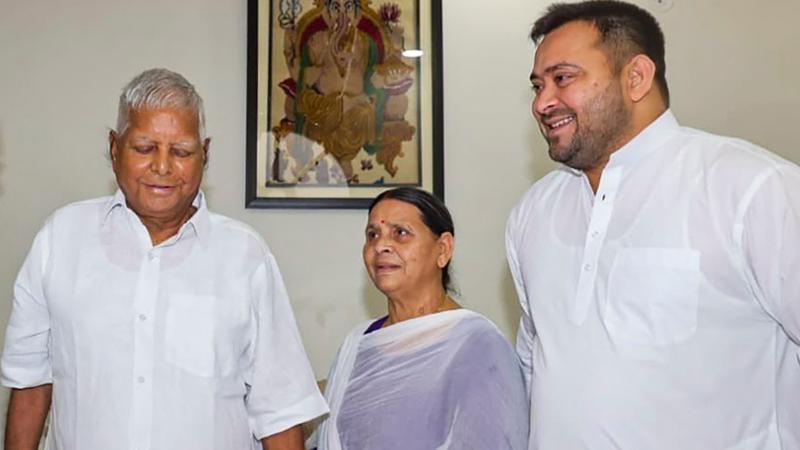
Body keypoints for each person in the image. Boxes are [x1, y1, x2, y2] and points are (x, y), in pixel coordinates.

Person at [506, 1, 800, 449]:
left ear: (637, 77)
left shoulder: (751, 189)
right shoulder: (534, 211)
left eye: (563, 78)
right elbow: (534, 362)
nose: (543, 102)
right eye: (537, 85)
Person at [1, 68, 328, 450]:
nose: (162, 166)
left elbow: (281, 410)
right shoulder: (60, 239)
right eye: (144, 148)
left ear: (204, 155)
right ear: (113, 148)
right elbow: (30, 379)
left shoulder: (245, 257)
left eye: (181, 151)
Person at [310, 187, 529, 450]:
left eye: (400, 233)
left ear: (443, 249)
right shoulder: (357, 344)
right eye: (372, 235)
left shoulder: (479, 346)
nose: (380, 245)